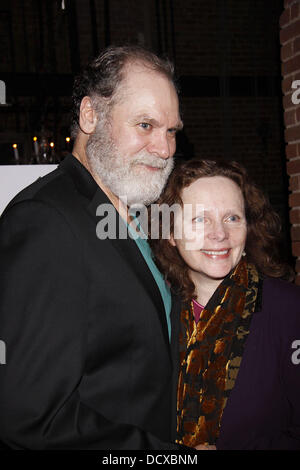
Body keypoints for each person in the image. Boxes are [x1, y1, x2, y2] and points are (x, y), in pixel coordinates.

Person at [0, 45, 184, 449]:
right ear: (89, 115)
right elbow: (31, 419)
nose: (165, 148)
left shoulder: (136, 212)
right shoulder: (46, 221)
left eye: (171, 131)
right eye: (145, 125)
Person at [150, 158, 300, 450]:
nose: (219, 234)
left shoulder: (289, 310)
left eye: (232, 217)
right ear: (170, 233)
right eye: (199, 219)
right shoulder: (155, 312)